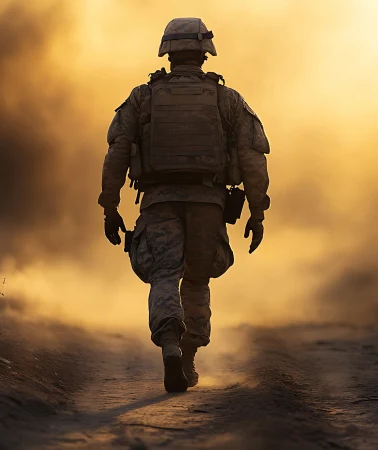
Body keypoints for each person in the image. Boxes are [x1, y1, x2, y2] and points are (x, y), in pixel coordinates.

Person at [98, 17, 271, 393]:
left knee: (164, 274)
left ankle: (171, 346)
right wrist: (257, 212)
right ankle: (189, 358)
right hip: (208, 202)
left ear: (168, 52)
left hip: (159, 202)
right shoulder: (227, 99)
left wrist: (110, 207)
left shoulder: (142, 97)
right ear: (205, 52)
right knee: (197, 278)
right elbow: (253, 158)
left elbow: (116, 155)